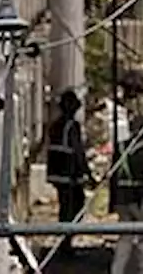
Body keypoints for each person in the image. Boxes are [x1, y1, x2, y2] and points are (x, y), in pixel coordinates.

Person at [109, 122, 143, 274]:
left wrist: (112, 203)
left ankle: (117, 270)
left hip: (122, 199)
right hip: (139, 200)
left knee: (125, 237)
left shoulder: (120, 149)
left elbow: (112, 177)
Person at [45, 90, 91, 257]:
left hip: (57, 173)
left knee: (65, 208)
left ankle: (64, 242)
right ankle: (66, 243)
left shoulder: (55, 125)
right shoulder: (72, 126)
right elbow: (78, 151)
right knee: (75, 207)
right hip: (69, 174)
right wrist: (87, 172)